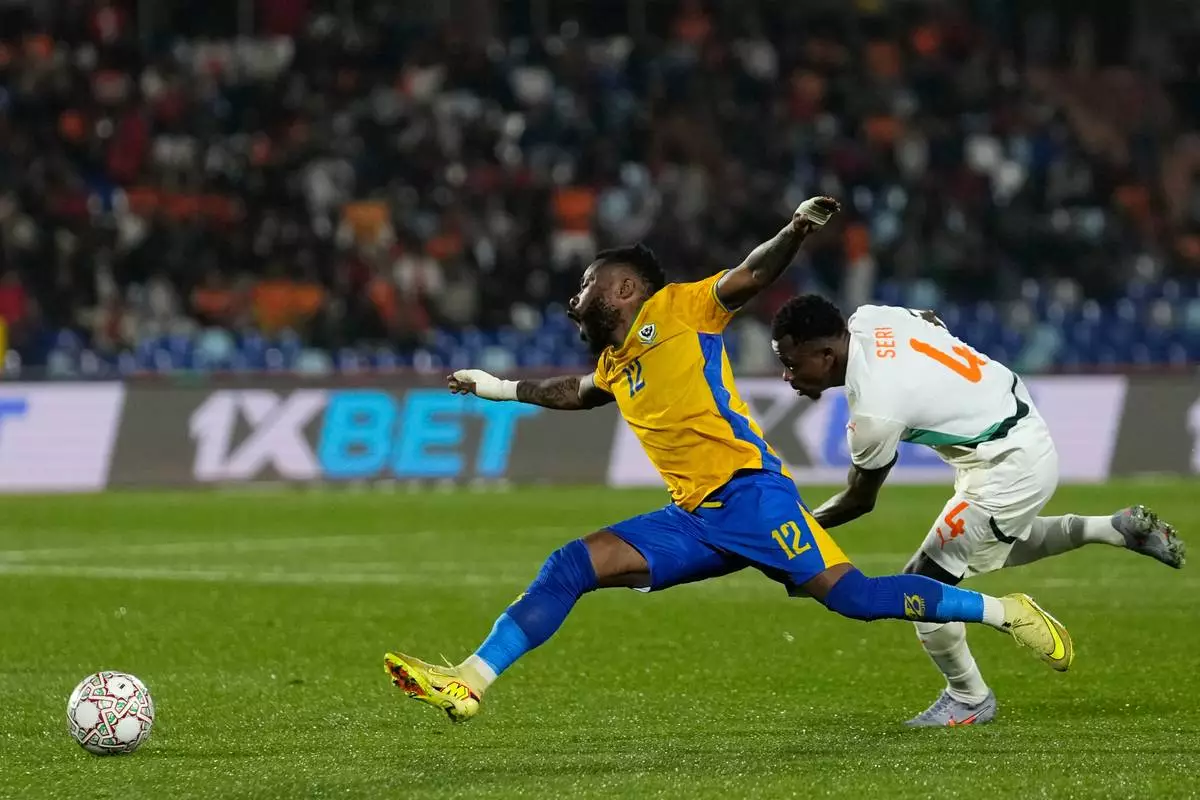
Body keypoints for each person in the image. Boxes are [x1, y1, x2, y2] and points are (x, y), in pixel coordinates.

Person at [383, 198, 1075, 724]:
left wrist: (797, 229)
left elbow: (750, 274)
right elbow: (573, 391)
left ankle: (1001, 609)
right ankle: (468, 681)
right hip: (694, 517)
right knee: (571, 564)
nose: (575, 298)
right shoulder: (617, 361)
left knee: (856, 599)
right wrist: (496, 389)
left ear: (624, 290)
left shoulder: (680, 309)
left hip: (750, 495)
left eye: (587, 285)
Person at [769, 296, 1185, 727]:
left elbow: (860, 500)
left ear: (827, 355)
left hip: (1007, 464)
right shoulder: (871, 317)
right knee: (994, 540)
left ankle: (969, 697)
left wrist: (789, 528)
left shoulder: (874, 410)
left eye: (794, 365)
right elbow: (932, 319)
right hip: (1013, 426)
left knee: (922, 586)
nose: (787, 376)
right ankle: (1114, 530)